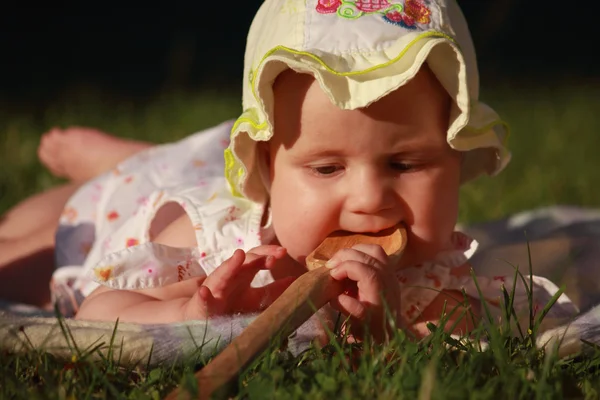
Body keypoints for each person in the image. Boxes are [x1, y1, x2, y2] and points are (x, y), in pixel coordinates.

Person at [0, 0, 577, 343]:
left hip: (182, 176)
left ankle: (156, 156)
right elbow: (98, 309)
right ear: (268, 173)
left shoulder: (440, 288)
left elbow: (499, 331)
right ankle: (130, 161)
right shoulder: (226, 249)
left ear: (457, 159)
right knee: (16, 252)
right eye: (327, 167)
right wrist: (190, 310)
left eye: (405, 163)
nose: (371, 198)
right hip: (106, 213)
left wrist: (389, 330)